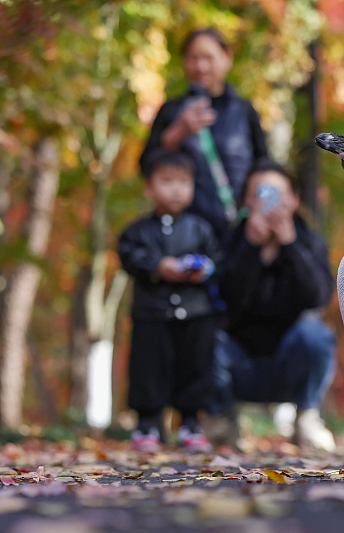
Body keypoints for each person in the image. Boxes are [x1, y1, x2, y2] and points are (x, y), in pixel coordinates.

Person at [211, 158, 337, 451]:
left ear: (293, 200)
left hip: (290, 362)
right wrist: (251, 248)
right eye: (260, 193)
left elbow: (317, 298)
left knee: (315, 333)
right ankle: (222, 421)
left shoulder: (309, 241)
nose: (268, 202)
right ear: (246, 200)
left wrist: (290, 244)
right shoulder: (230, 240)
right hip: (239, 362)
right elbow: (224, 301)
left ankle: (307, 417)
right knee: (203, 333)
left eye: (276, 194)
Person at [118, 149, 219, 453]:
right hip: (152, 312)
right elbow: (129, 256)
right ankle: (147, 424)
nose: (176, 188)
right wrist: (157, 265)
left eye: (183, 182)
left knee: (195, 366)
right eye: (166, 181)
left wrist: (204, 269)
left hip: (196, 311)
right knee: (148, 368)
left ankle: (191, 423)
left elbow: (218, 259)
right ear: (149, 187)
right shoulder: (137, 230)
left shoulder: (200, 228)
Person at [139, 27, 269, 239]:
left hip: (237, 228)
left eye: (208, 57)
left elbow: (264, 165)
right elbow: (146, 167)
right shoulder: (171, 111)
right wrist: (178, 132)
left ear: (227, 58)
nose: (201, 66)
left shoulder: (244, 111)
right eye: (193, 58)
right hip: (184, 230)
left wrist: (258, 208)